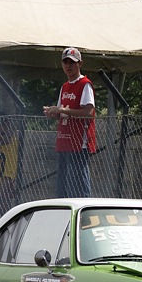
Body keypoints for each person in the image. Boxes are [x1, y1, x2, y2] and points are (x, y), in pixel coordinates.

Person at [43, 47, 96, 198]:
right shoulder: (65, 86)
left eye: (72, 62)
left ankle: (84, 216)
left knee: (78, 186)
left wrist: (62, 111)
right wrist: (52, 113)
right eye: (65, 62)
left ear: (80, 64)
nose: (68, 66)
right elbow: (62, 113)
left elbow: (88, 112)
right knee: (63, 187)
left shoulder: (85, 84)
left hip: (79, 143)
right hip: (64, 141)